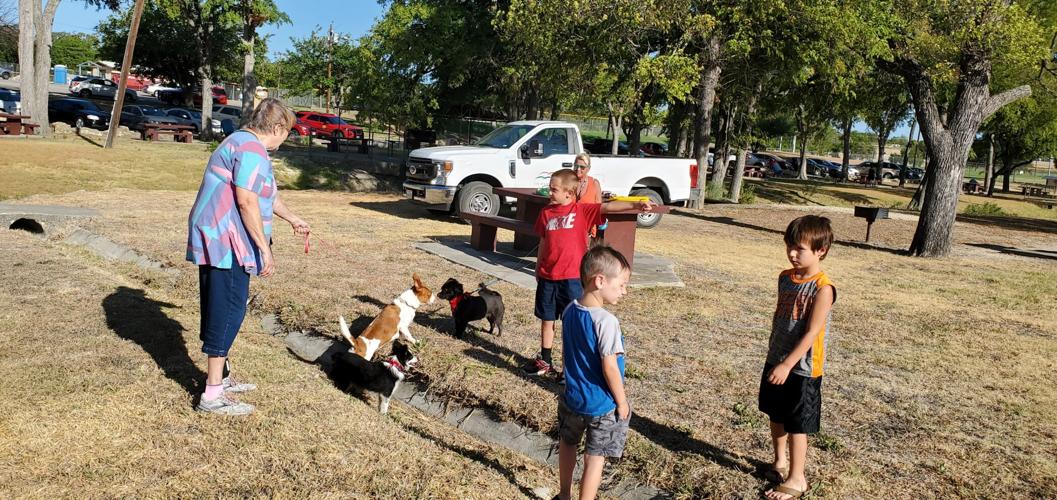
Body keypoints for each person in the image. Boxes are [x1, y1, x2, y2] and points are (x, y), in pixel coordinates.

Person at [186, 98, 310, 416]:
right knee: (227, 311)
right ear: (278, 128)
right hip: (226, 242)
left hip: (220, 238)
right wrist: (264, 249)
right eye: (288, 132)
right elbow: (246, 201)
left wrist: (292, 218)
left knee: (224, 306)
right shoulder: (252, 150)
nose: (287, 138)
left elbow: (265, 193)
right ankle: (212, 395)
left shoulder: (241, 142)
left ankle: (221, 379)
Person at [523, 169, 652, 377]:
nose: (549, 193)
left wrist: (636, 205)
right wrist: (538, 267)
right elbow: (543, 242)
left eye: (554, 189)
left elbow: (608, 206)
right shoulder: (546, 213)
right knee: (547, 319)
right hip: (548, 277)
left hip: (572, 278)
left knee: (571, 324)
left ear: (569, 193)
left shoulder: (581, 211)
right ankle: (545, 361)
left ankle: (568, 370)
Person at [759, 215, 836, 500]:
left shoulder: (822, 288)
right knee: (775, 414)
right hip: (776, 359)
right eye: (789, 246)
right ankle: (779, 463)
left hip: (801, 368)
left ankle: (797, 477)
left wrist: (788, 364)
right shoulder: (785, 278)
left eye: (799, 249)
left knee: (796, 424)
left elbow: (812, 332)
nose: (792, 253)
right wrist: (777, 360)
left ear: (820, 250)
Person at [556, 245, 632, 500]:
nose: (624, 291)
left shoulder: (569, 310)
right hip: (601, 405)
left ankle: (564, 494)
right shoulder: (606, 322)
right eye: (621, 285)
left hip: (571, 398)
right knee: (594, 456)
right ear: (599, 280)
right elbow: (610, 367)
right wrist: (622, 402)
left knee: (567, 443)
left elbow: (566, 353)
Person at [573, 152, 603, 239]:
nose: (578, 169)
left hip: (587, 229)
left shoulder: (594, 183)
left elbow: (598, 208)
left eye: (582, 167)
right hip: (570, 228)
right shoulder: (569, 181)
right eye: (576, 166)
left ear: (588, 169)